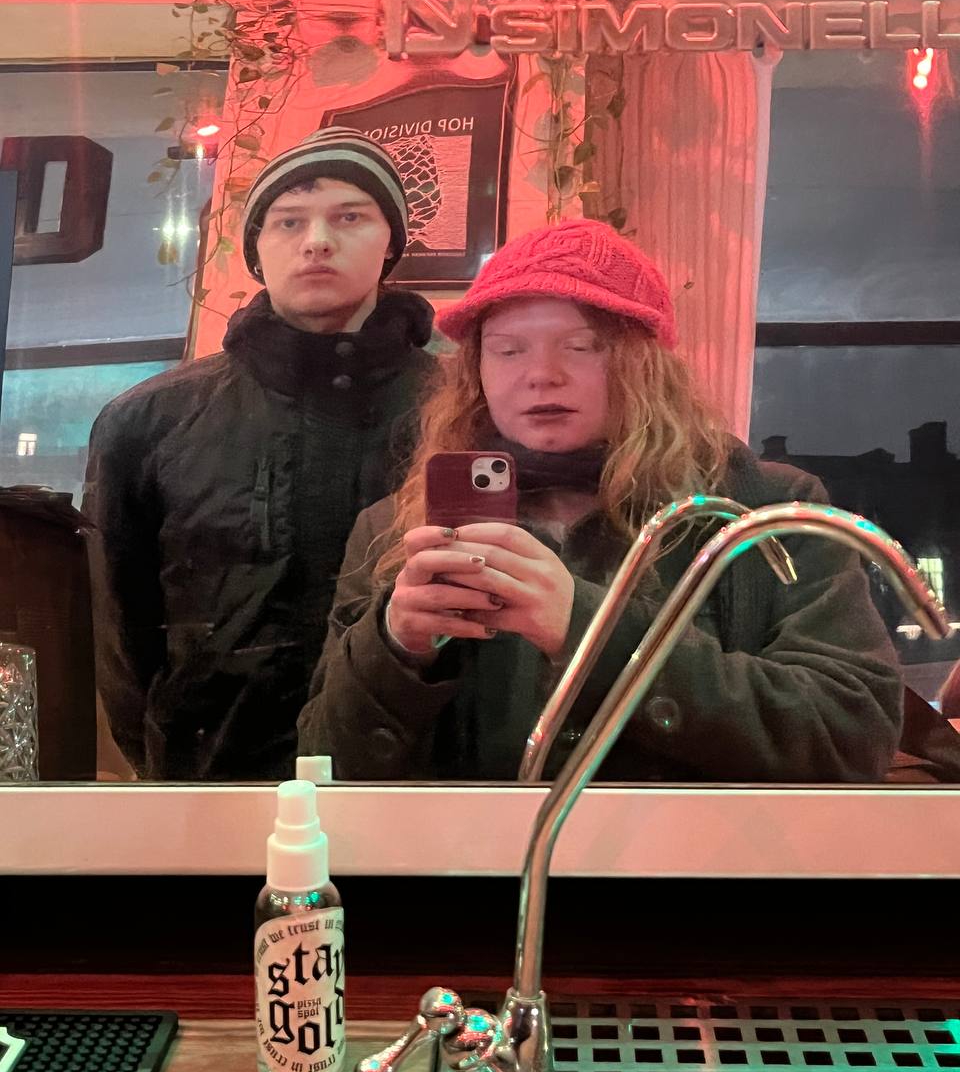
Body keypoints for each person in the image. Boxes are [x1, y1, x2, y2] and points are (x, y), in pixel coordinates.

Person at [297, 218, 903, 783]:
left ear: (644, 366)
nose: (542, 374)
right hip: (474, 862)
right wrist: (395, 651)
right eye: (508, 350)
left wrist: (587, 629)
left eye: (582, 346)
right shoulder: (399, 526)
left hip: (692, 860)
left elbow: (850, 737)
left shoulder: (764, 508)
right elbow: (322, 767)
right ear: (477, 370)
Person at [85, 127, 437, 780]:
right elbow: (120, 637)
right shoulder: (147, 423)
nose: (317, 240)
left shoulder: (463, 413)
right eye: (289, 221)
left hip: (422, 784)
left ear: (391, 241)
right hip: (214, 781)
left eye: (350, 216)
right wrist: (162, 764)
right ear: (255, 249)